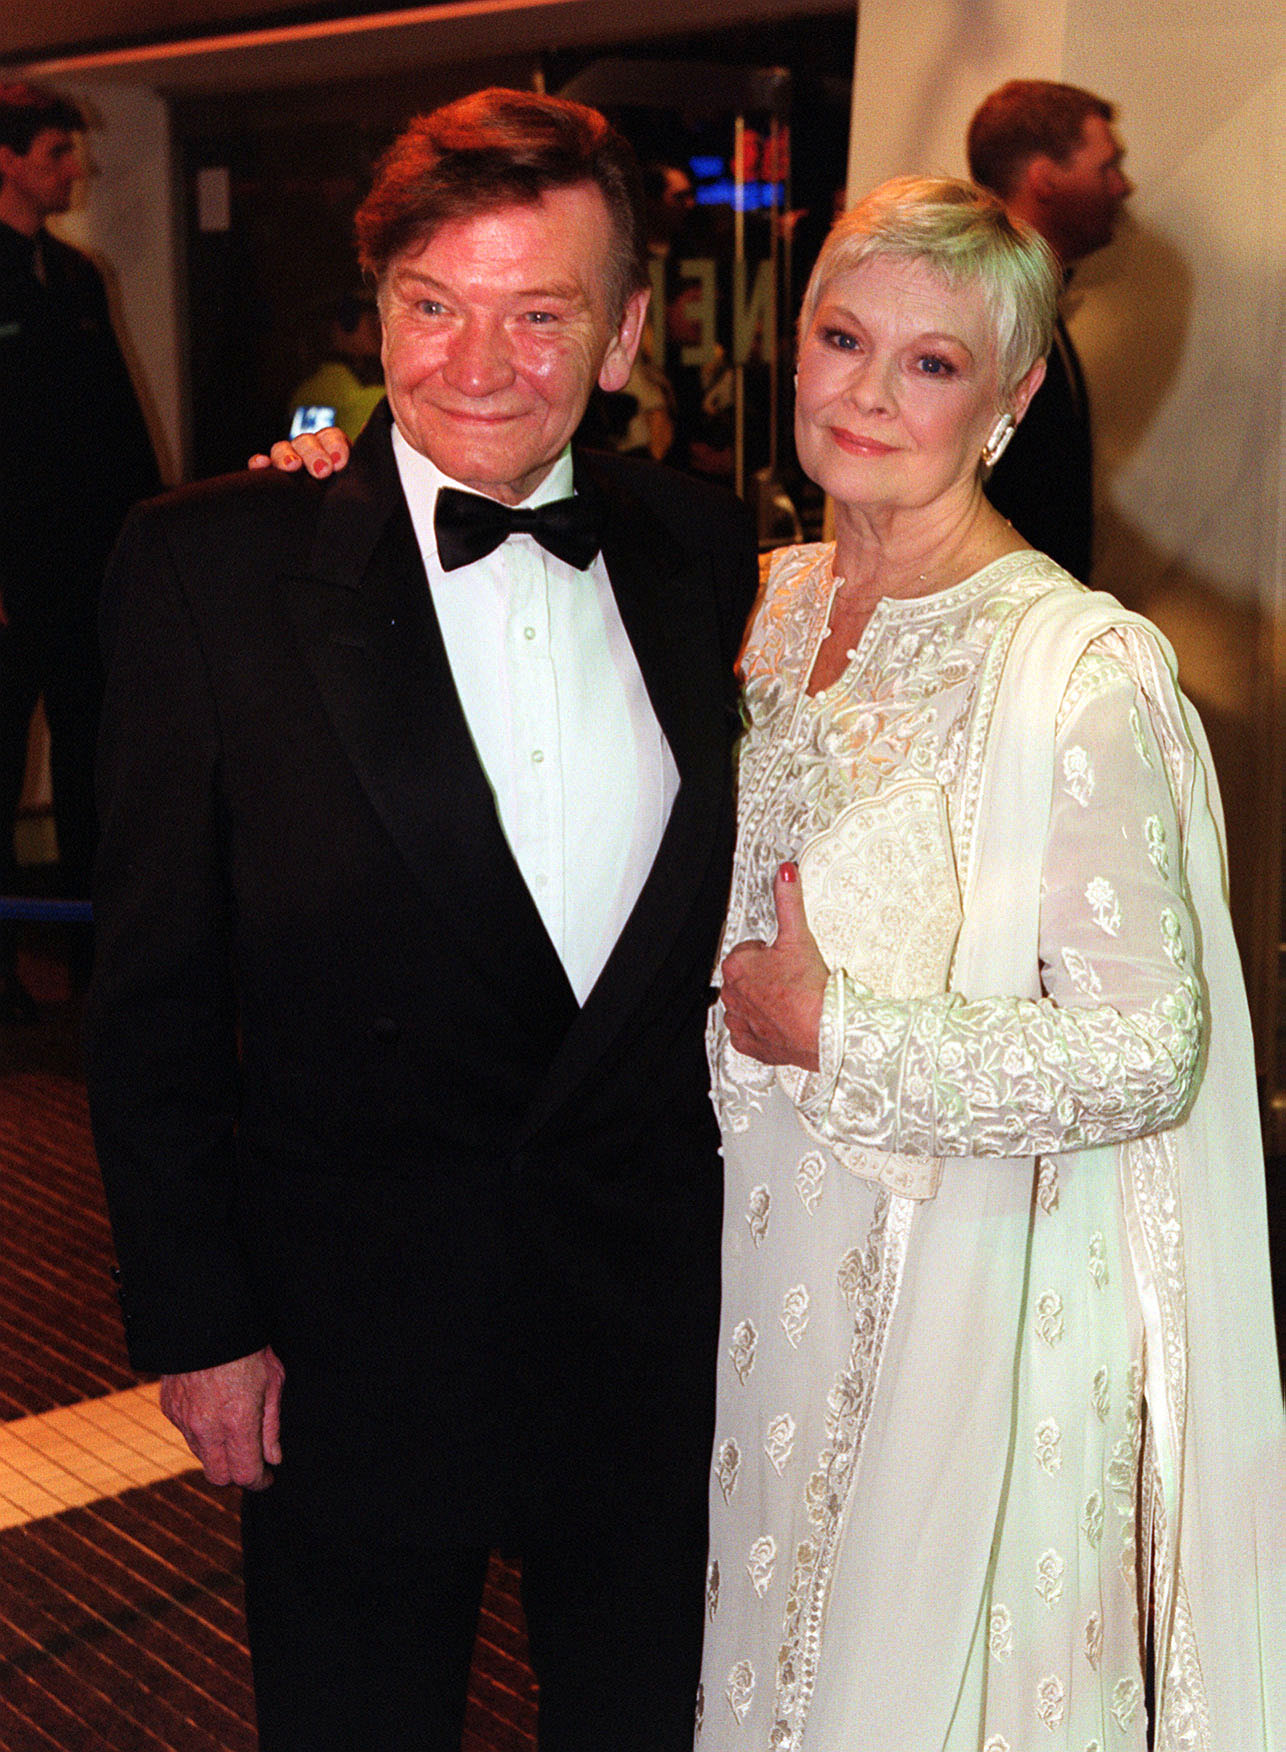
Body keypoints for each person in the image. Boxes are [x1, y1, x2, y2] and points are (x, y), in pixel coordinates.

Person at [85, 88, 757, 1752]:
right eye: (431, 305)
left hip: (652, 1325)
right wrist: (200, 1322)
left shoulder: (706, 550)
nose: (475, 362)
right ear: (375, 306)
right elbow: (151, 990)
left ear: (619, 338)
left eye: (541, 313)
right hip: (350, 1331)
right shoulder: (211, 568)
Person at [698, 176, 1283, 1749]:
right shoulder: (764, 604)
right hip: (761, 1305)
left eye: (932, 362)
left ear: (1012, 398)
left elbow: (1146, 1048)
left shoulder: (1075, 667)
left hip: (966, 1313)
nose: (870, 392)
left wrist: (842, 1033)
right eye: (841, 338)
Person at [0, 80, 160, 1017]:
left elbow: (117, 435)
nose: (76, 170)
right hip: (10, 584)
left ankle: (102, 965)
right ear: (9, 160)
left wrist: (147, 549)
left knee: (99, 765)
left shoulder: (78, 276)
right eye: (58, 153)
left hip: (87, 573)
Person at [966, 79, 1132, 580]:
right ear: (1046, 180)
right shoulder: (990, 309)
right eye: (1106, 167)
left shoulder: (1033, 297)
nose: (1123, 186)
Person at [285, 291, 385, 441]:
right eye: (373, 320)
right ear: (347, 324)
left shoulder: (306, 390)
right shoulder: (370, 397)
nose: (381, 330)